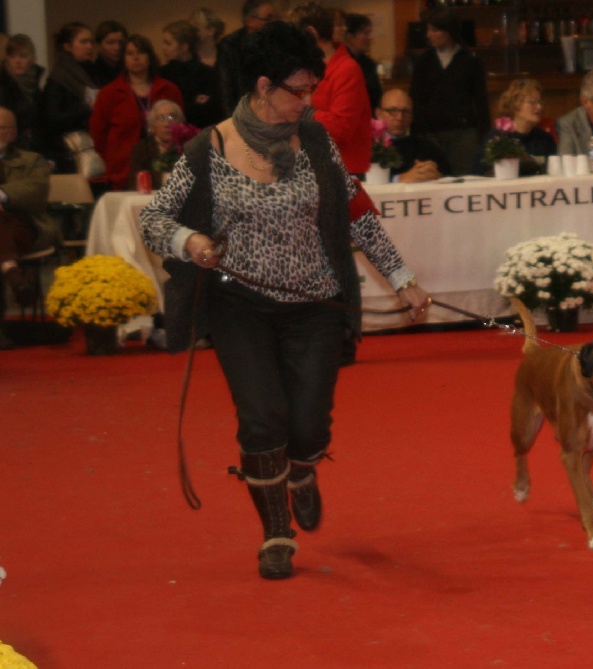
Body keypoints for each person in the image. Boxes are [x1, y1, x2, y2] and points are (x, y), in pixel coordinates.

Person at [138, 21, 429, 580]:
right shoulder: (210, 147)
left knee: (310, 425)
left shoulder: (315, 139)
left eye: (312, 88)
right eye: (298, 90)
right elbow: (154, 218)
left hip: (315, 304)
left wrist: (404, 278)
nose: (308, 100)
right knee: (261, 420)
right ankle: (276, 533)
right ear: (264, 85)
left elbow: (357, 212)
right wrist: (190, 240)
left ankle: (303, 468)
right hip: (238, 305)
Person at [90, 35, 183, 190]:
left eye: (140, 53)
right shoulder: (109, 93)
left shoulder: (168, 89)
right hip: (123, 171)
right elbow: (98, 134)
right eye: (130, 53)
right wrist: (114, 158)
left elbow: (180, 127)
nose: (135, 58)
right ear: (124, 59)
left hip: (166, 167)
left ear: (149, 57)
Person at [290, 2, 372, 176]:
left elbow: (341, 128)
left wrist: (303, 110)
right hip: (312, 167)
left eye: (295, 36)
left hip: (342, 171)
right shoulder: (303, 69)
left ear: (311, 33)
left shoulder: (346, 69)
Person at [0, 107, 59, 349]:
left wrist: (1, 196)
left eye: (1, 128)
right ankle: (12, 272)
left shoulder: (31, 160)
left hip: (24, 226)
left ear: (12, 133)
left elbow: (36, 192)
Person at [409, 7, 490, 176]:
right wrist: (417, 132)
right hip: (430, 133)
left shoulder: (470, 60)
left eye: (435, 30)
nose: (428, 35)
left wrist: (485, 136)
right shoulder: (423, 61)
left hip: (463, 133)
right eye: (428, 29)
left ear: (449, 31)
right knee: (431, 179)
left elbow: (481, 101)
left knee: (465, 179)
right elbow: (415, 99)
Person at [41, 22, 100, 172]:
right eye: (83, 42)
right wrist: (86, 108)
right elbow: (52, 120)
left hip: (90, 144)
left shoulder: (91, 71)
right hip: (68, 151)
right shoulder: (58, 79)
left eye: (91, 42)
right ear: (67, 47)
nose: (89, 46)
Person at [474, 78, 556, 176]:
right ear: (515, 104)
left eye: (540, 102)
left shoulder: (545, 139)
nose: (539, 107)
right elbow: (478, 174)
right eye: (533, 102)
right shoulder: (497, 139)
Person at [159, 20, 225, 129]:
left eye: (168, 43)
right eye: (164, 43)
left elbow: (213, 112)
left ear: (184, 47)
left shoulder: (207, 74)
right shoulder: (162, 74)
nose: (163, 48)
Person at [376, 88, 450, 182]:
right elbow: (357, 181)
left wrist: (436, 175)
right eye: (393, 111)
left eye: (406, 111)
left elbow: (450, 177)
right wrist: (399, 179)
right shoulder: (368, 147)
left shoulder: (427, 146)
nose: (400, 117)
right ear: (379, 113)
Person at [217, 0, 277, 115]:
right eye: (268, 19)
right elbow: (226, 89)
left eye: (275, 18)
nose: (274, 23)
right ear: (251, 21)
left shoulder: (277, 43)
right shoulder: (230, 45)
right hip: (241, 111)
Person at [127, 99, 187, 190]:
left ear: (180, 122)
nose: (167, 124)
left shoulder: (190, 147)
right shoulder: (142, 149)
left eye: (171, 117)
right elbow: (134, 184)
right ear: (152, 126)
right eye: (161, 118)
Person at [2, 34, 44, 151]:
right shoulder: (4, 87)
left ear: (32, 58)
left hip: (36, 148)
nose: (17, 61)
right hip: (12, 150)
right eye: (12, 56)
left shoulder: (35, 86)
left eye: (23, 56)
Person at [344, 13, 382, 115]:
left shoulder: (368, 64)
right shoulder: (341, 64)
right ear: (350, 36)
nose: (370, 38)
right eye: (365, 33)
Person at [94, 21, 128, 87]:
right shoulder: (93, 74)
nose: (117, 48)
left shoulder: (129, 69)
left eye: (121, 43)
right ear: (98, 46)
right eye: (110, 43)